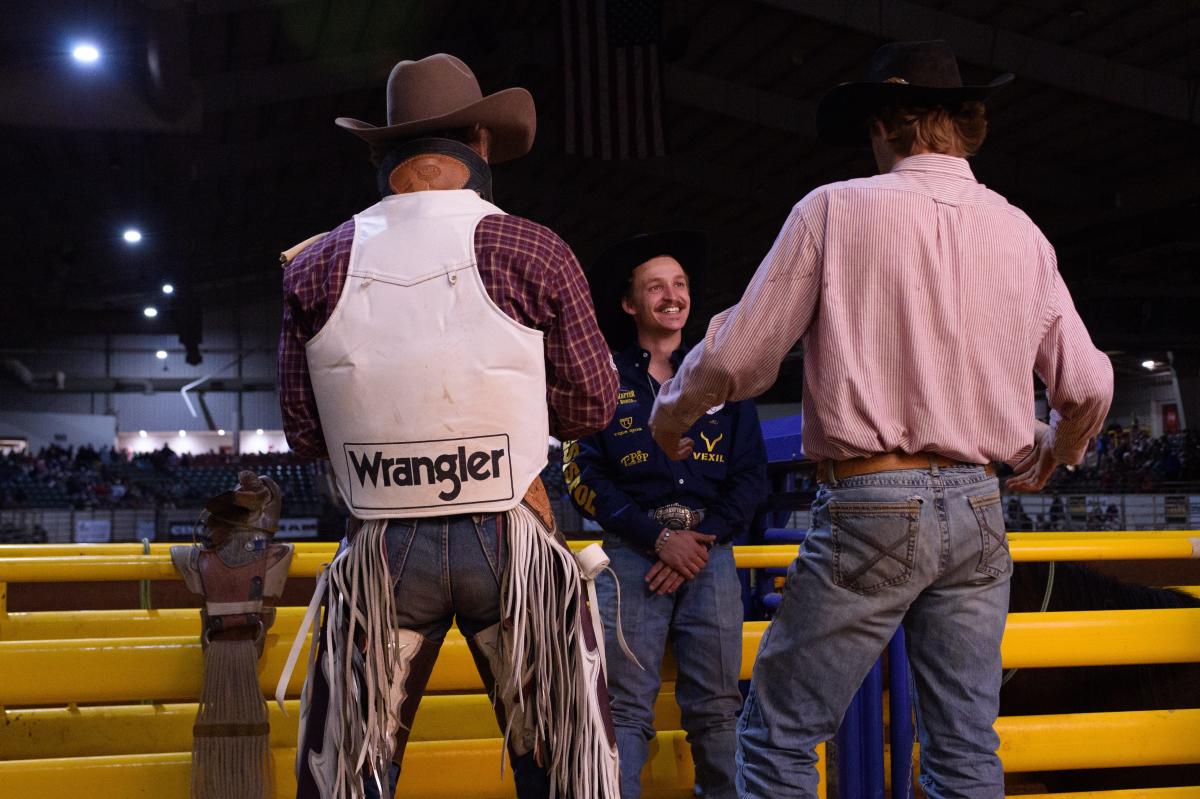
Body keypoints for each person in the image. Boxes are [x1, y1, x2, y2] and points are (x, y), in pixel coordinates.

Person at [647, 40, 1113, 799]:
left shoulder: (833, 209)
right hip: (978, 503)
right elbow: (1088, 382)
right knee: (964, 748)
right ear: (962, 124)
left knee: (780, 735)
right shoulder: (1021, 231)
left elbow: (739, 357)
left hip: (872, 501)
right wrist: (1057, 450)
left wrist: (672, 414)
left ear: (887, 127)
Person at [278, 54, 621, 798]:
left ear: (382, 154)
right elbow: (594, 405)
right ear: (481, 141)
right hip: (511, 536)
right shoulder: (534, 248)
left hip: (378, 547)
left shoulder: (312, 266)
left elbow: (303, 432)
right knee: (563, 766)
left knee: (349, 771)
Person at [563, 232, 768, 799]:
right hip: (631, 557)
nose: (671, 295)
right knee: (624, 709)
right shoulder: (599, 376)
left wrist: (696, 543)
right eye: (655, 287)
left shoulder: (722, 374)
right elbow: (584, 475)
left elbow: (751, 476)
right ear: (631, 304)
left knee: (718, 708)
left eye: (679, 285)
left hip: (708, 555)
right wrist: (659, 539)